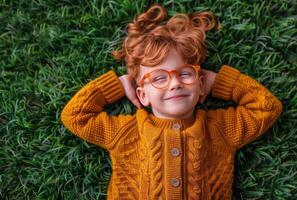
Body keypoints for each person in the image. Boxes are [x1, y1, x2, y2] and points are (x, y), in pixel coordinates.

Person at [61, 4, 283, 200]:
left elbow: (267, 106)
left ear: (200, 83)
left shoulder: (221, 129)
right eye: (158, 78)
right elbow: (75, 115)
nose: (174, 84)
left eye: (185, 74)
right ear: (142, 95)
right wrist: (118, 84)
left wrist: (217, 82)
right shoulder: (125, 132)